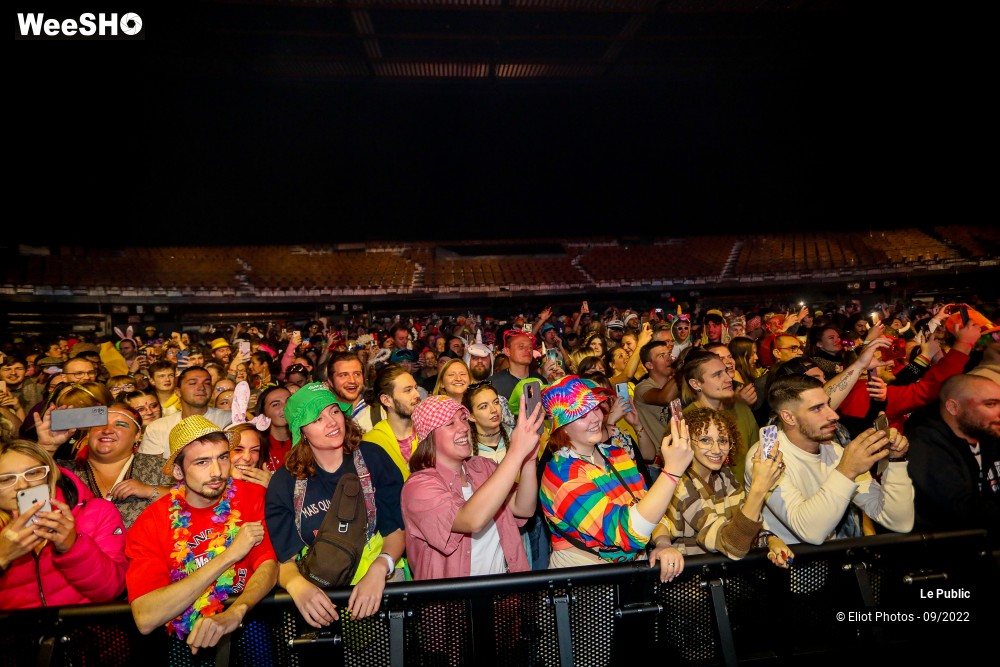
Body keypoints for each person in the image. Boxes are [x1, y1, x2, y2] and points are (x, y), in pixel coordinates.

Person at [125, 416, 278, 654]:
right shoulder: (152, 521)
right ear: (178, 470)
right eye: (202, 462)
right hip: (184, 641)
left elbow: (268, 565)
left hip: (249, 625)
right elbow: (146, 618)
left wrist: (235, 612)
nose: (217, 472)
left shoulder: (252, 495)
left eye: (223, 458)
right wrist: (229, 555)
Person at [264, 383, 405, 628]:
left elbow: (396, 529)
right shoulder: (284, 482)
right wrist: (298, 587)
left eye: (334, 412)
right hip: (321, 599)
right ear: (302, 431)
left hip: (380, 586)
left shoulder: (372, 457)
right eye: (318, 419)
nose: (331, 422)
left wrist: (379, 569)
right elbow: (284, 559)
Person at [539, 375, 693, 568]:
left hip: (632, 569)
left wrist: (662, 543)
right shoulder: (560, 474)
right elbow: (626, 532)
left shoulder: (615, 453)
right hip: (588, 579)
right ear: (563, 428)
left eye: (595, 408)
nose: (595, 418)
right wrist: (672, 471)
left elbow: (648, 506)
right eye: (582, 415)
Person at [746, 375, 914, 545]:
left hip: (830, 562)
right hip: (784, 567)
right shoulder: (765, 457)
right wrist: (847, 470)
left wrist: (895, 462)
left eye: (828, 404)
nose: (833, 415)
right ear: (789, 417)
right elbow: (811, 532)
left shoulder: (834, 451)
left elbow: (899, 521)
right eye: (817, 408)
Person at [401, 394, 543, 579]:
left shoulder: (483, 467)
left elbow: (524, 508)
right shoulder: (418, 487)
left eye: (463, 419)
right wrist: (516, 452)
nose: (464, 428)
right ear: (429, 437)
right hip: (456, 603)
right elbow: (471, 520)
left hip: (504, 597)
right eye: (450, 424)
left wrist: (528, 459)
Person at [649, 407, 792, 584]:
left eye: (723, 440)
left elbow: (743, 520)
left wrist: (770, 539)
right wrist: (759, 488)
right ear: (685, 442)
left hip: (720, 581)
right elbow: (732, 544)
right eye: (705, 440)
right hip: (688, 588)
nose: (716, 449)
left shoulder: (724, 476)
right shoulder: (680, 485)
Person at [0, 437, 127, 609]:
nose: (23, 485)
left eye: (33, 473)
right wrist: (3, 557)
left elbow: (111, 590)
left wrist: (72, 546)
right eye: (6, 479)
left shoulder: (97, 513)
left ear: (50, 475)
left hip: (84, 629)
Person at [905, 374, 1000, 544]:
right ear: (953, 407)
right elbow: (960, 511)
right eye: (990, 404)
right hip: (942, 550)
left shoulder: (988, 434)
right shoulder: (925, 446)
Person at [55, 402, 175, 529]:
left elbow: (190, 500)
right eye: (100, 424)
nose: (107, 430)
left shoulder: (160, 468)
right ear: (89, 433)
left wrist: (151, 491)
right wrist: (48, 445)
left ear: (137, 436)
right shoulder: (63, 471)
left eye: (120, 425)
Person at [680, 349, 760, 484]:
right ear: (696, 384)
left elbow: (757, 455)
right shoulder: (684, 422)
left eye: (726, 371)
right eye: (717, 375)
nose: (729, 379)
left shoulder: (741, 409)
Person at [138, 367, 232, 460]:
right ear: (178, 392)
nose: (201, 388)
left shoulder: (229, 419)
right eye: (192, 383)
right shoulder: (158, 427)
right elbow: (150, 469)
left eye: (207, 383)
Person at [362, 364, 422, 480]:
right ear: (386, 400)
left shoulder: (428, 434)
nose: (417, 394)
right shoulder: (371, 443)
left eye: (416, 388)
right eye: (408, 390)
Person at [632, 339, 679, 464]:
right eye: (661, 356)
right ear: (649, 365)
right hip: (659, 464)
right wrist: (681, 371)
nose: (668, 358)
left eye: (668, 354)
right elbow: (665, 398)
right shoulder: (642, 388)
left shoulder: (679, 384)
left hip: (682, 456)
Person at [489, 329, 545, 404]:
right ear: (507, 351)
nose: (528, 350)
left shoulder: (540, 381)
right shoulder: (494, 384)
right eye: (521, 347)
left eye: (530, 347)